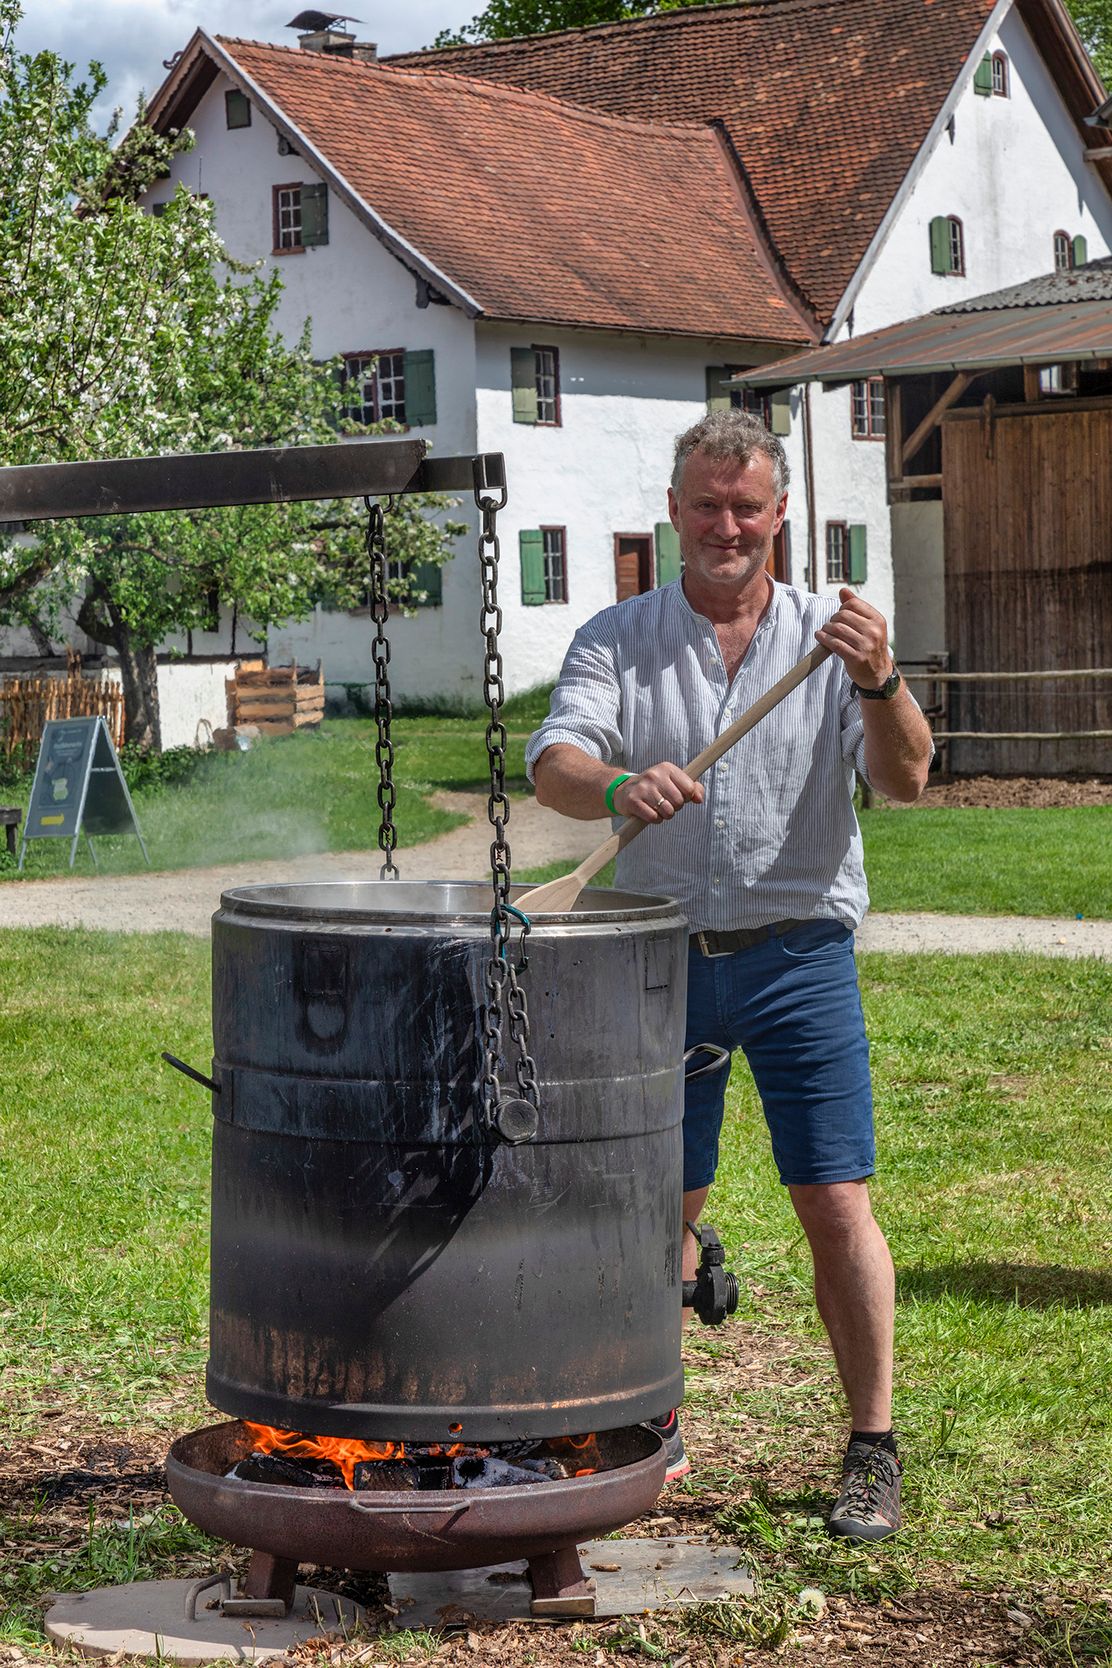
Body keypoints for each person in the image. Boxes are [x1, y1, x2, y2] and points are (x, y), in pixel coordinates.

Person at [525, 409, 933, 1542]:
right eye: (705, 505)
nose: (725, 525)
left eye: (745, 505)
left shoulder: (828, 638)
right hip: (656, 957)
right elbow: (557, 764)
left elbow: (902, 782)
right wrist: (612, 789)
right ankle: (633, 1425)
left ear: (779, 513)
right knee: (655, 1208)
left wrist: (882, 678)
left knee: (833, 1197)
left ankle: (870, 1448)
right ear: (672, 512)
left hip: (798, 950)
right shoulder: (619, 634)